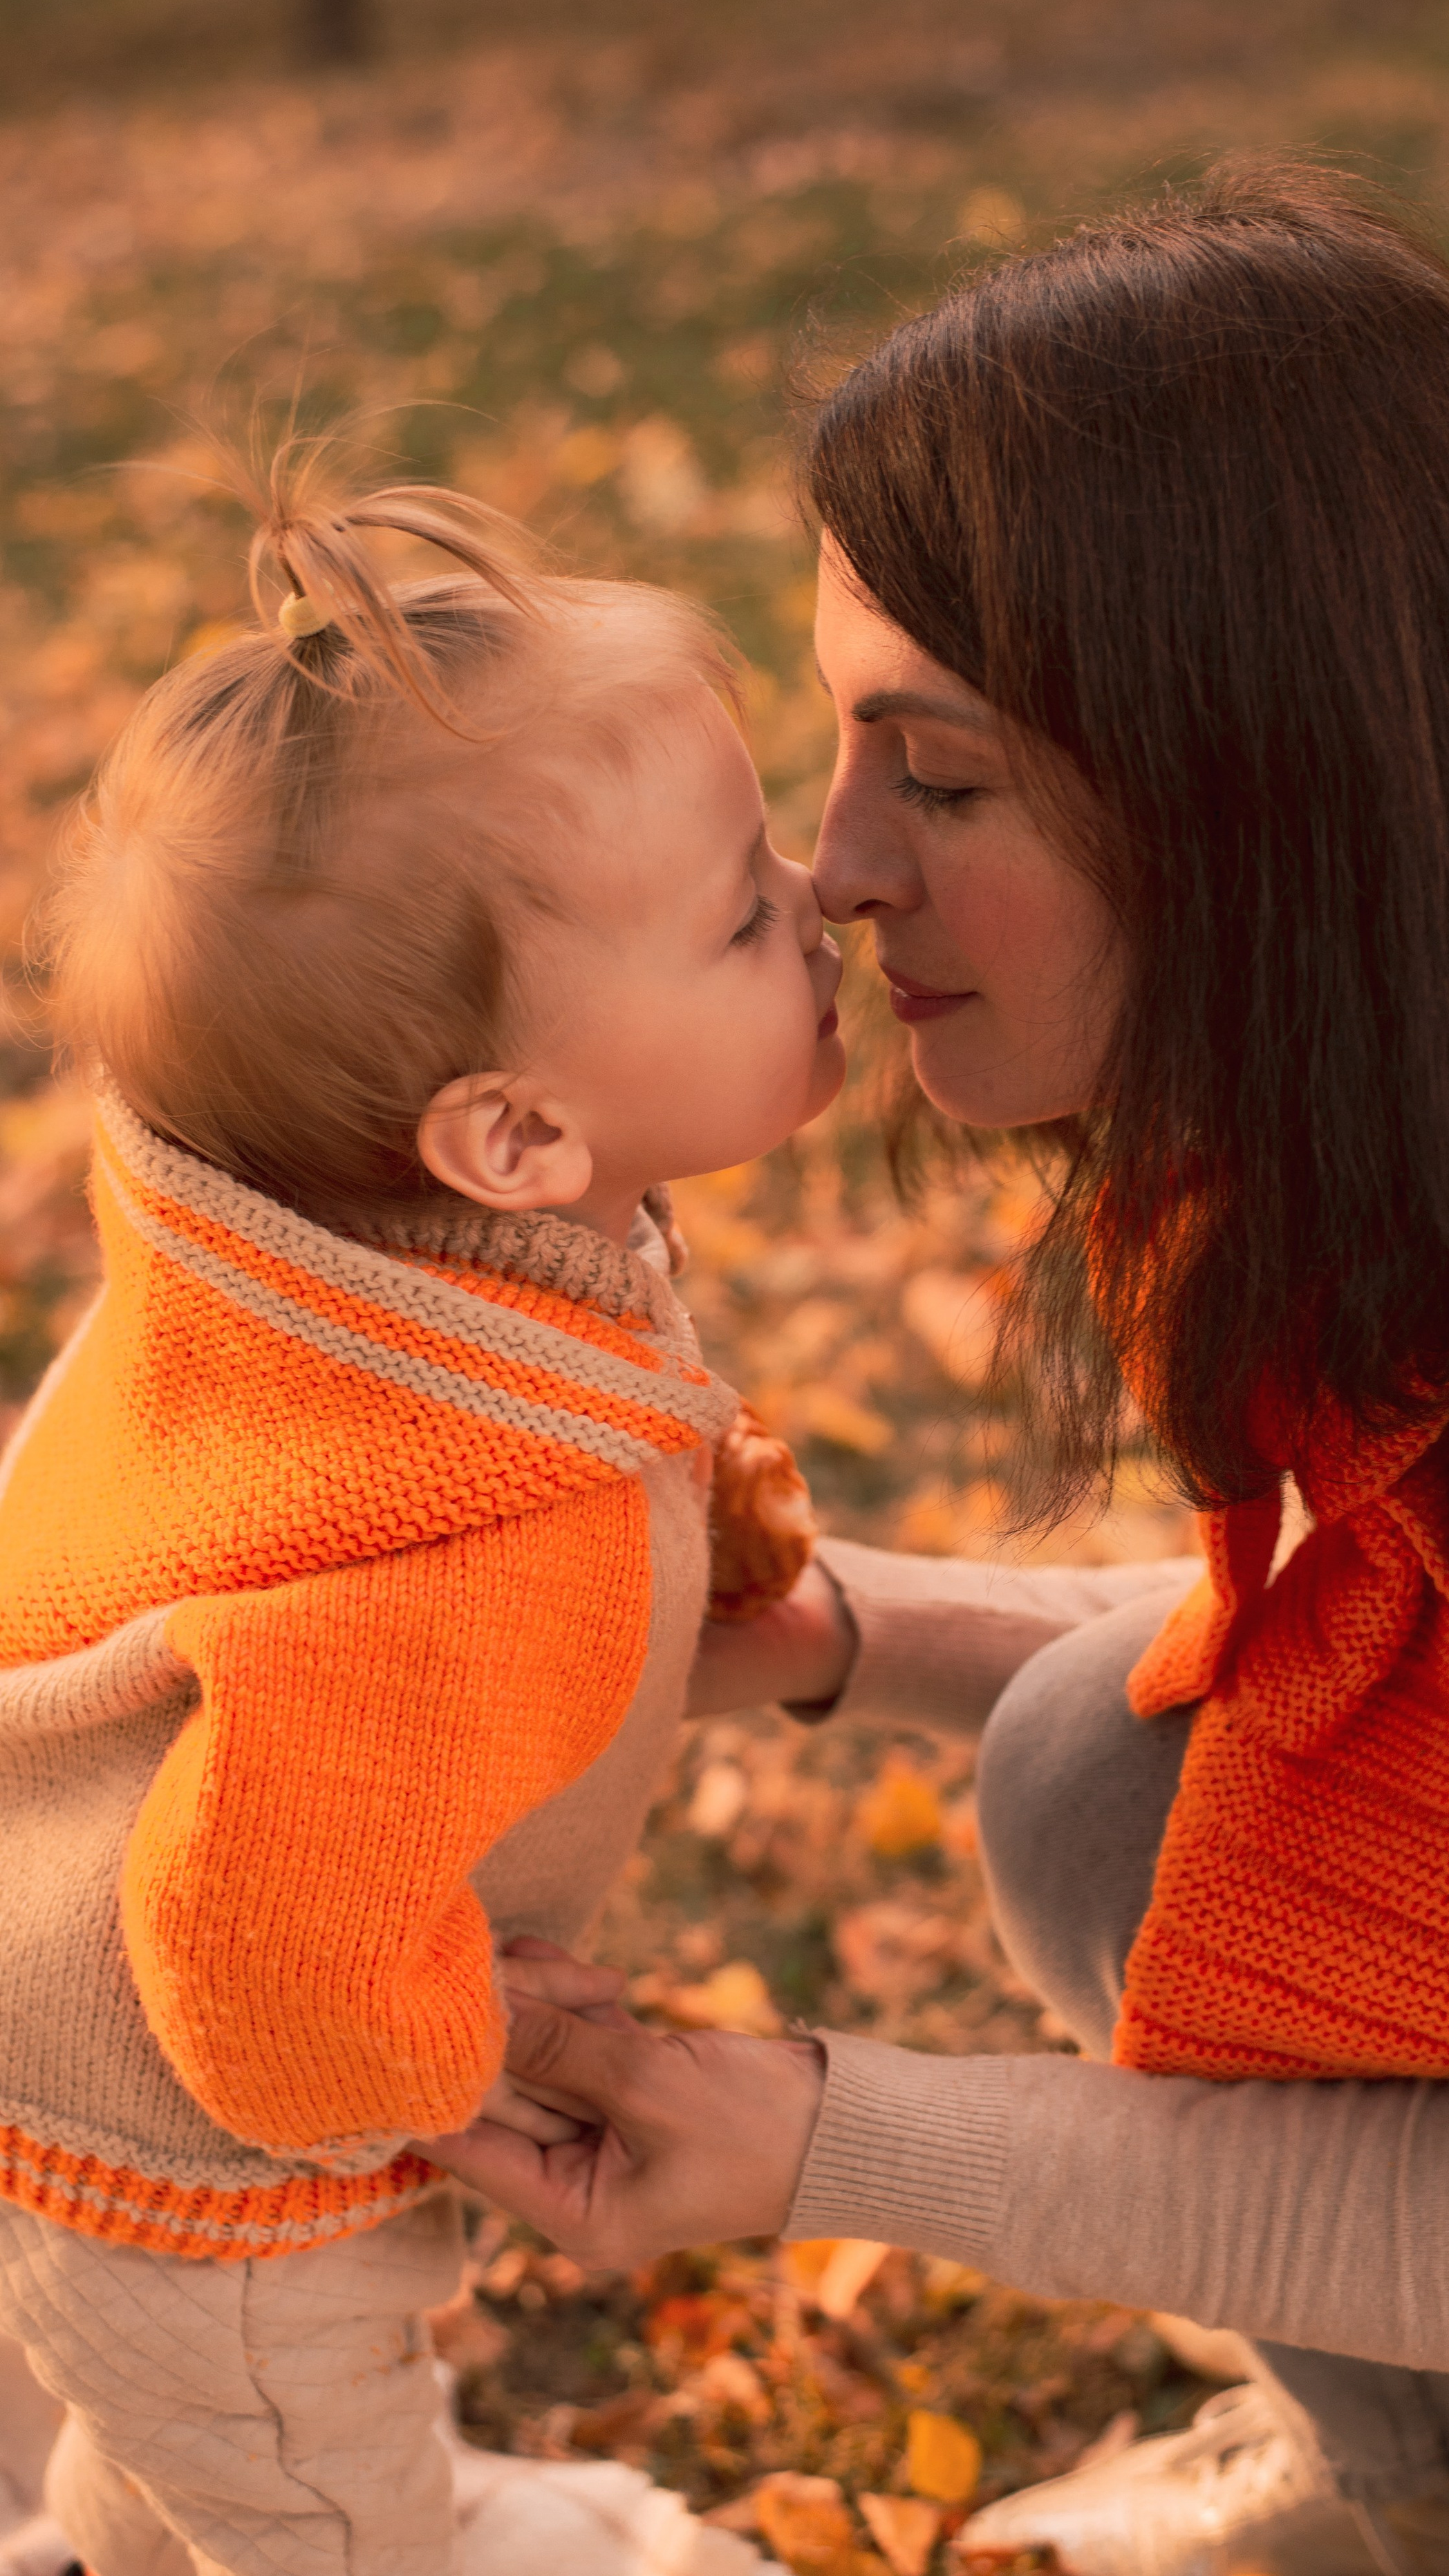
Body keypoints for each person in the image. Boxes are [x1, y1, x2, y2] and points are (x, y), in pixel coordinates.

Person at [424, 165, 1449, 2575]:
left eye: (936, 779)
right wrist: (835, 1641)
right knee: (1100, 1767)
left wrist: (824, 2128)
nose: (834, 868)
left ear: (1272, 804)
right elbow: (1430, 1666)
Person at [0, 455, 848, 2576]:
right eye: (747, 910)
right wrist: (493, 2054)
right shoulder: (480, 1536)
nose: (824, 895)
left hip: (108, 2095)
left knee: (197, 2461)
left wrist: (716, 1522)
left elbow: (612, 1363)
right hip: (218, 2171)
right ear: (514, 1133)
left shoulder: (336, 1269)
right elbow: (265, 1957)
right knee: (315, 2502)